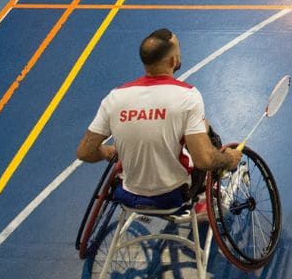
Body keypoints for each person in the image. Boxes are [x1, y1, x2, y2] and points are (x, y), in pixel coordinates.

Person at [76, 29, 241, 210]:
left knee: (196, 125)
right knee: (204, 135)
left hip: (128, 194)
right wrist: (228, 159)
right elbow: (203, 160)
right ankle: (206, 195)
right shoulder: (188, 96)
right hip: (173, 195)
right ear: (173, 61)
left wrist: (108, 152)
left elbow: (84, 152)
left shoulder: (115, 97)